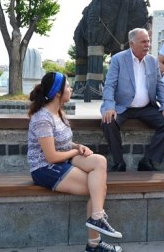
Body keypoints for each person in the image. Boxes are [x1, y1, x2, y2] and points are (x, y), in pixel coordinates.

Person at [27, 72, 123, 252]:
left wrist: (78, 146)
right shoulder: (42, 118)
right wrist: (74, 151)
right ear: (57, 93)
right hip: (45, 168)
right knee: (98, 189)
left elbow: (61, 142)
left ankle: (97, 218)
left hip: (62, 160)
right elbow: (51, 157)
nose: (71, 89)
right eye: (68, 87)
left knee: (99, 161)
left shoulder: (58, 113)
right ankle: (94, 243)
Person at [101, 28, 164, 172]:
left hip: (146, 108)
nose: (147, 45)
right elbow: (109, 85)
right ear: (132, 44)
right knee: (108, 121)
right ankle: (119, 163)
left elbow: (160, 86)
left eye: (148, 41)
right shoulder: (118, 59)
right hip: (122, 106)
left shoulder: (152, 61)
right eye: (143, 42)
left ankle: (147, 161)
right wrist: (110, 107)